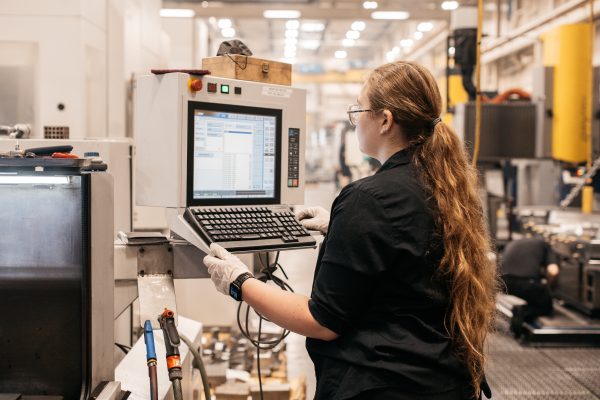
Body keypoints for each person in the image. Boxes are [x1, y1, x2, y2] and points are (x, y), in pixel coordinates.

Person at [203, 61, 499, 399]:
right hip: (445, 383)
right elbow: (410, 254)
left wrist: (240, 282)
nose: (355, 120)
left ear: (385, 120)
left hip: (384, 386)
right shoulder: (446, 187)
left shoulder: (369, 198)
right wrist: (340, 227)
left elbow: (322, 322)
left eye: (359, 109)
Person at [501, 236, 559, 320]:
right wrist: (547, 286)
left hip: (505, 284)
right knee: (545, 305)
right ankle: (523, 311)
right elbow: (553, 271)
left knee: (531, 294)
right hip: (527, 284)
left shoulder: (513, 243)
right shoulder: (545, 245)